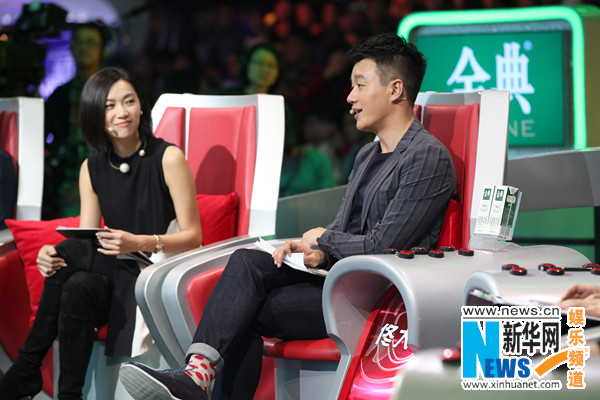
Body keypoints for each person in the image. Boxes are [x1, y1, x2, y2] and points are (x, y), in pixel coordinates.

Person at [119, 33, 458, 400]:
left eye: (360, 85)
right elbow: (345, 230)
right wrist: (315, 252)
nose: (350, 97)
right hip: (338, 277)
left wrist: (323, 239)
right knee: (247, 261)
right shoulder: (367, 155)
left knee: (242, 312)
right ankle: (197, 374)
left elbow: (385, 246)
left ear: (395, 89)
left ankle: (197, 377)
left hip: (374, 293)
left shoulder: (426, 156)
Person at [0, 67, 202, 400]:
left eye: (129, 101)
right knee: (76, 283)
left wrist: (138, 242)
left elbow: (194, 236)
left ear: (142, 106)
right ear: (96, 114)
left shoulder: (168, 157)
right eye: (110, 105)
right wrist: (50, 255)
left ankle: (27, 367)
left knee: (69, 254)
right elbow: (88, 238)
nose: (122, 112)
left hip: (148, 271)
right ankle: (68, 395)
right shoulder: (91, 168)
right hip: (109, 273)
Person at [43, 22, 109, 219]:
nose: (84, 48)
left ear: (102, 49)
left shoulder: (113, 91)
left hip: (109, 177)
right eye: (78, 42)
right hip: (66, 182)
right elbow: (41, 138)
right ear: (71, 47)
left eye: (90, 42)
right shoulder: (59, 95)